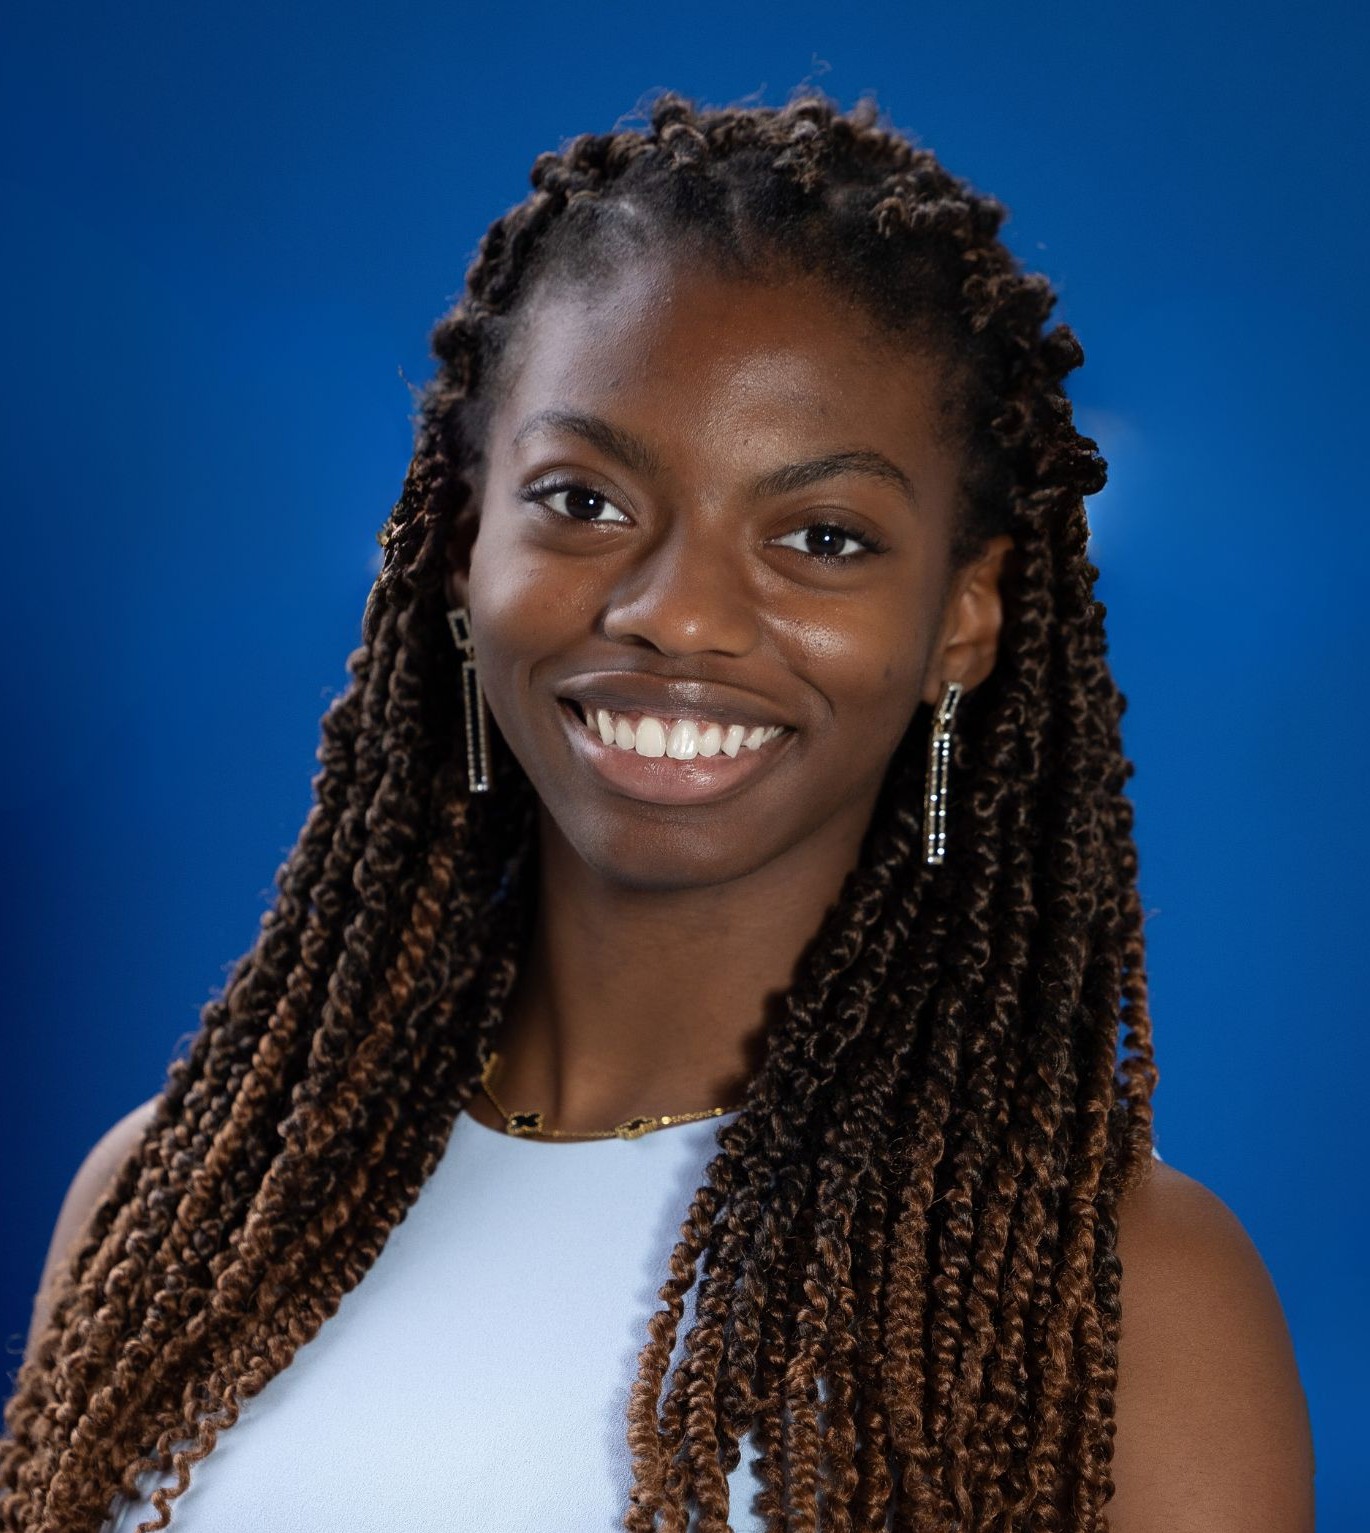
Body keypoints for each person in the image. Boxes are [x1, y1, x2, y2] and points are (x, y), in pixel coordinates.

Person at [1, 90, 1313, 1532]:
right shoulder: (180, 1203)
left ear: (964, 616)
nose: (676, 613)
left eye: (821, 537)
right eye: (583, 498)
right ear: (458, 540)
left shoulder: (1115, 1292)